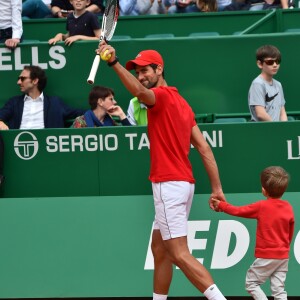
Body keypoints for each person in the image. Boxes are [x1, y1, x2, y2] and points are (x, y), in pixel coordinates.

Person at [98, 43, 227, 300]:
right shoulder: (183, 103)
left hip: (168, 184)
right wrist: (216, 189)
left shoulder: (164, 97)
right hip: (183, 185)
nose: (141, 77)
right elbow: (204, 149)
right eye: (138, 72)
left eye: (145, 70)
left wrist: (113, 63)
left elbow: (138, 92)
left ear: (159, 69)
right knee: (160, 249)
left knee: (179, 253)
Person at [211, 166, 294, 300]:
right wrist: (283, 249)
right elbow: (290, 232)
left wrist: (221, 205)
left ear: (263, 190)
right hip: (283, 256)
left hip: (267, 256)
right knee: (279, 290)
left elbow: (238, 211)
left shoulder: (262, 206)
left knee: (252, 284)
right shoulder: (288, 207)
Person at [0, 65, 85, 130]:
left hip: (47, 147)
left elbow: (78, 112)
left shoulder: (55, 103)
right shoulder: (14, 102)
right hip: (18, 146)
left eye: (22, 78)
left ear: (35, 81)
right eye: (19, 79)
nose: (18, 82)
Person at [248, 45, 288, 122]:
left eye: (277, 61)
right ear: (260, 64)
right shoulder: (257, 84)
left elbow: (282, 112)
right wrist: (275, 128)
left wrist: (283, 127)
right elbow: (261, 114)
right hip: (262, 131)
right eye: (270, 62)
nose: (275, 65)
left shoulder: (278, 85)